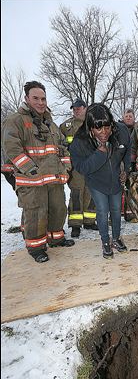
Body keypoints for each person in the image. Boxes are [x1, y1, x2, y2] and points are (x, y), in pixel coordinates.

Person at [1, 80, 74, 263]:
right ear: (27, 98)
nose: (41, 102)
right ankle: (36, 248)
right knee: (36, 214)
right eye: (36, 98)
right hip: (31, 181)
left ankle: (56, 238)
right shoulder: (15, 120)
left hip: (54, 179)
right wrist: (30, 169)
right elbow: (11, 149)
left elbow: (63, 147)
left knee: (58, 210)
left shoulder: (50, 123)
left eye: (43, 98)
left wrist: (65, 167)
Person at [69, 103, 131, 259]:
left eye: (107, 127)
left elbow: (127, 151)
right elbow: (81, 167)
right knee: (103, 211)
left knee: (116, 211)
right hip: (96, 182)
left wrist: (126, 171)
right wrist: (99, 154)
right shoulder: (80, 140)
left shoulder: (121, 131)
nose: (104, 132)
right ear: (90, 128)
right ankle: (105, 242)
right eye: (99, 129)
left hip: (116, 180)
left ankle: (116, 239)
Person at [60, 98, 97, 238]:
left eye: (79, 107)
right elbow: (61, 146)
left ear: (85, 108)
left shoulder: (93, 124)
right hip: (75, 167)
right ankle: (75, 225)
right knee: (76, 194)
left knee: (91, 194)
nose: (76, 110)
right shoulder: (65, 126)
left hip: (92, 166)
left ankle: (89, 221)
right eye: (74, 108)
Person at [119, 108, 138, 223]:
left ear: (134, 118)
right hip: (120, 163)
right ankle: (115, 214)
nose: (129, 118)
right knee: (118, 189)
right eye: (126, 116)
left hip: (135, 163)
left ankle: (131, 214)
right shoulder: (117, 129)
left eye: (131, 116)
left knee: (132, 188)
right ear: (123, 118)